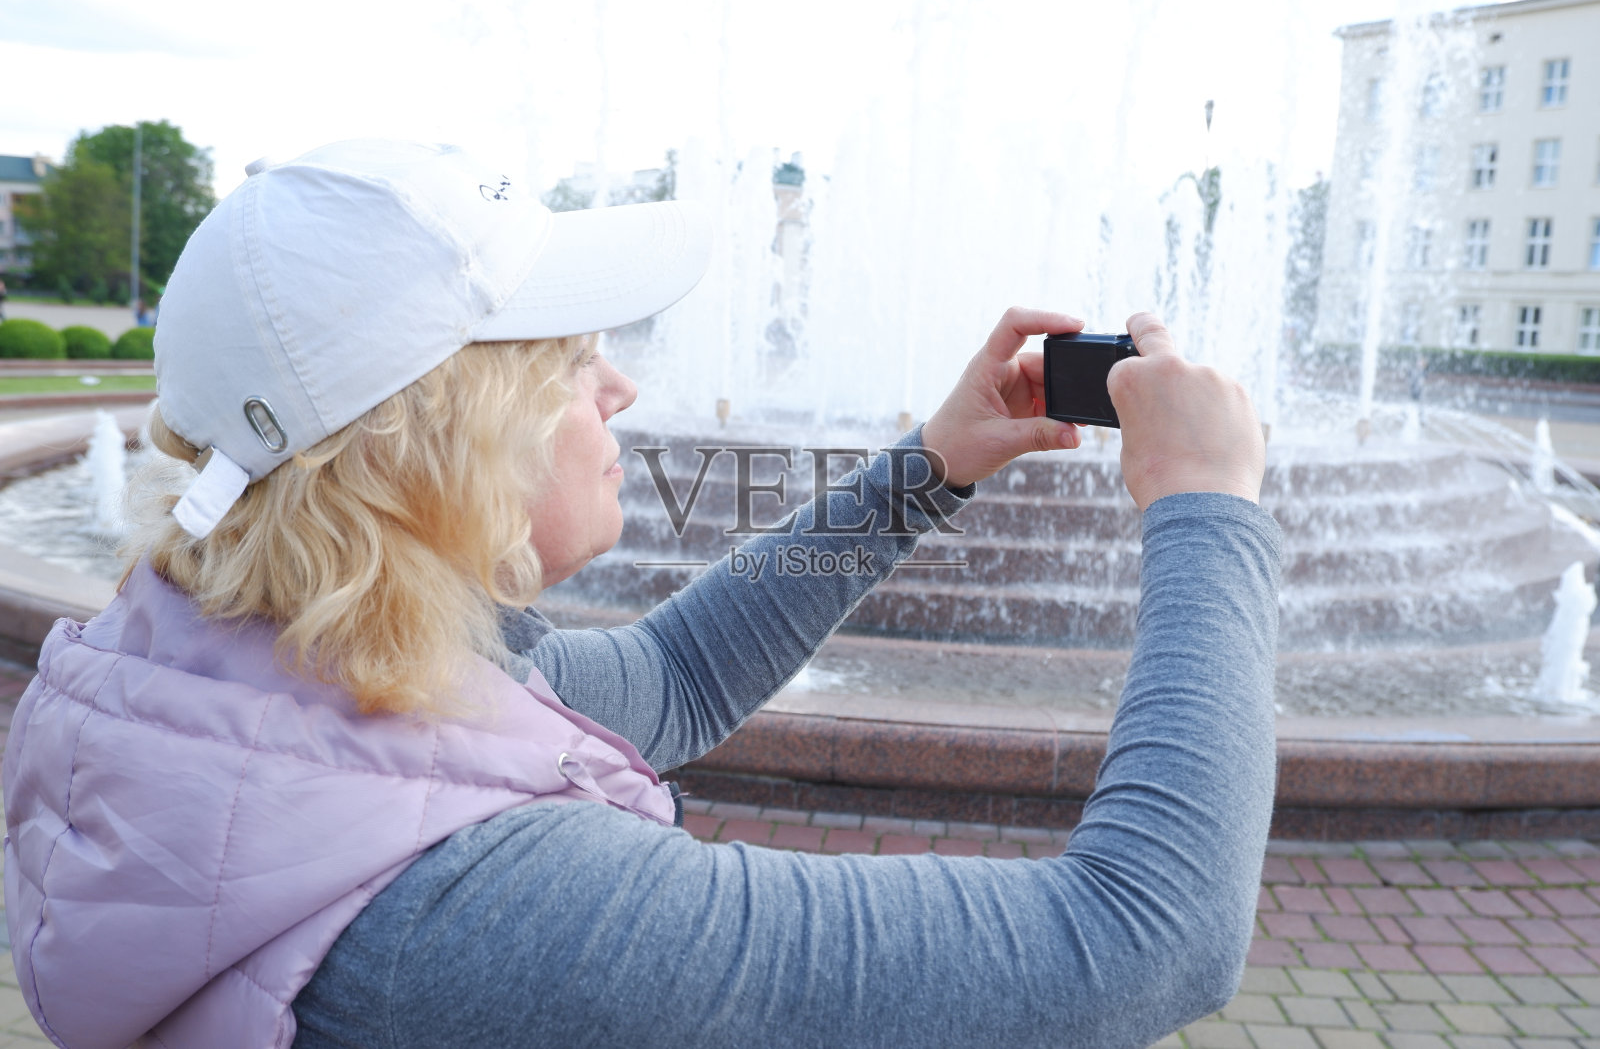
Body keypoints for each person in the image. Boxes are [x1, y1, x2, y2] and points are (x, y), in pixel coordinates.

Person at [2, 140, 1280, 1049]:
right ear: (439, 432)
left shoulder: (245, 674)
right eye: (573, 358)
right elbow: (1140, 940)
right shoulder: (488, 915)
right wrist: (1204, 505)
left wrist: (929, 465)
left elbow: (671, 678)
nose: (618, 391)